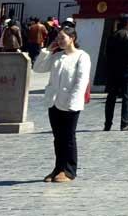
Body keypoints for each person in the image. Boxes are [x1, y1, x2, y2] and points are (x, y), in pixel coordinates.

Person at [33, 26, 91, 181]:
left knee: (68, 137)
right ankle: (58, 168)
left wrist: (73, 102)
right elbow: (38, 68)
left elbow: (81, 81)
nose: (59, 41)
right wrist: (47, 50)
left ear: (72, 38)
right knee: (58, 137)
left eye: (62, 38)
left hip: (70, 102)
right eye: (58, 38)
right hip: (54, 101)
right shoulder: (57, 56)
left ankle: (69, 170)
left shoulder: (82, 56)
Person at [101, 15, 128, 131]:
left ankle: (107, 124)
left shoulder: (112, 35)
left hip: (113, 70)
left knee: (111, 97)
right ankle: (124, 123)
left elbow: (106, 53)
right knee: (127, 96)